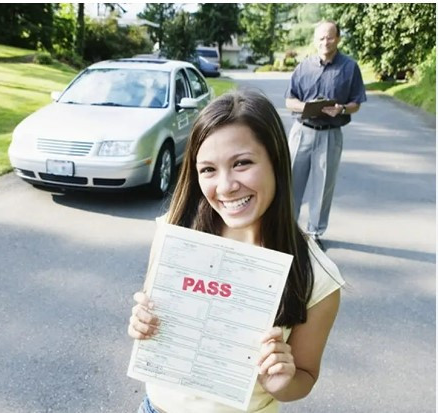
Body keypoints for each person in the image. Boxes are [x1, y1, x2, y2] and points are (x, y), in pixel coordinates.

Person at [127, 90, 344, 413]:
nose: (226, 186)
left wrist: (283, 382)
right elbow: (152, 313)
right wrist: (142, 323)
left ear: (276, 160)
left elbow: (305, 376)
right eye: (208, 170)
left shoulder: (317, 276)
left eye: (242, 163)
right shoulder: (175, 233)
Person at [285, 21, 367, 249]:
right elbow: (289, 100)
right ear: (314, 40)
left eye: (329, 37)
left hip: (330, 134)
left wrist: (341, 108)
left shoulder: (350, 68)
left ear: (338, 39)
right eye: (320, 38)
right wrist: (305, 107)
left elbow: (356, 104)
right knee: (291, 181)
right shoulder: (303, 67)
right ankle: (288, 228)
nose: (325, 42)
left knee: (323, 186)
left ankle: (314, 234)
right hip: (301, 132)